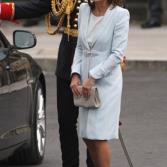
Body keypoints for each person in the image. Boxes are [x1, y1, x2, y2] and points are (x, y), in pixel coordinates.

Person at [0, 1, 94, 167]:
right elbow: (37, 6)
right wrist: (2, 9)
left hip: (95, 64)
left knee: (94, 127)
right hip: (68, 62)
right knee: (66, 123)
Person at [70, 0, 130, 166]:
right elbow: (80, 47)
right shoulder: (83, 10)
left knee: (98, 136)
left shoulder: (120, 14)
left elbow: (117, 54)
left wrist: (94, 76)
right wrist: (75, 74)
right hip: (85, 83)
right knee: (87, 135)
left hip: (107, 83)